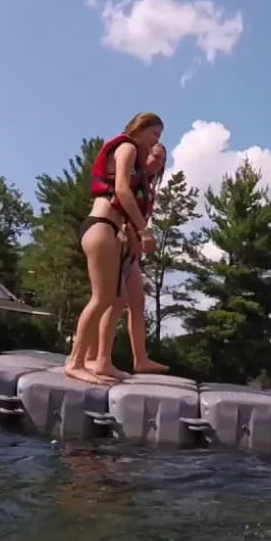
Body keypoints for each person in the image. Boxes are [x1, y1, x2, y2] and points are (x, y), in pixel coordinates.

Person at [63, 112, 163, 385]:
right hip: (101, 225)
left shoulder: (131, 153)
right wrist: (144, 229)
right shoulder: (127, 146)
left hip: (108, 227)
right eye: (154, 134)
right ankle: (76, 361)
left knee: (115, 299)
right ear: (140, 129)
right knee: (101, 299)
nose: (156, 141)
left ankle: (103, 362)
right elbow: (121, 189)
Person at [86, 142, 170, 377]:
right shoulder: (133, 175)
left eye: (163, 159)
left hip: (131, 249)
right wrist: (132, 233)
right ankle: (95, 357)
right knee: (112, 301)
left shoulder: (147, 185)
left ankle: (140, 358)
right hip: (119, 240)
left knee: (136, 302)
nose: (158, 162)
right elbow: (120, 203)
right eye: (155, 156)